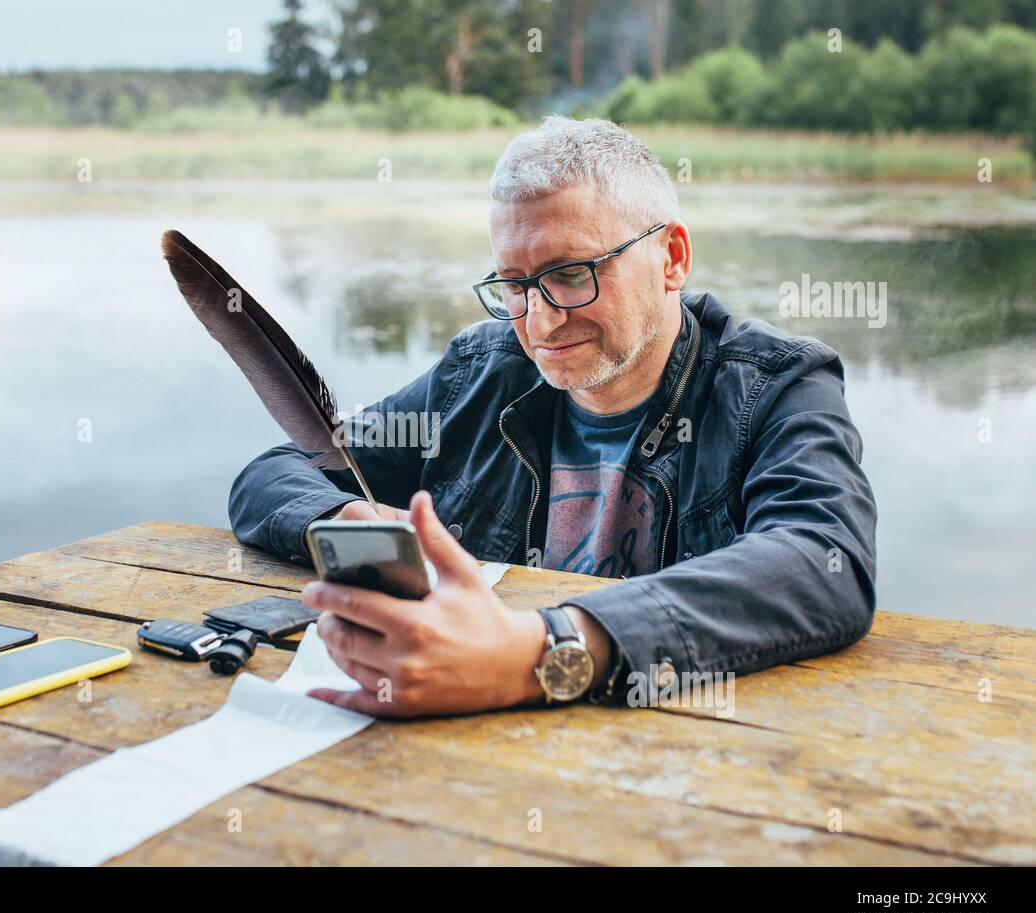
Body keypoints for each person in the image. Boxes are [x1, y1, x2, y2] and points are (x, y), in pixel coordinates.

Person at [229, 116, 877, 717]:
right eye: (514, 284)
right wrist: (349, 518)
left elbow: (824, 560)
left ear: (672, 258)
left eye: (570, 275)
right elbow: (276, 472)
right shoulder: (479, 373)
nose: (539, 321)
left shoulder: (777, 387)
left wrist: (542, 652)